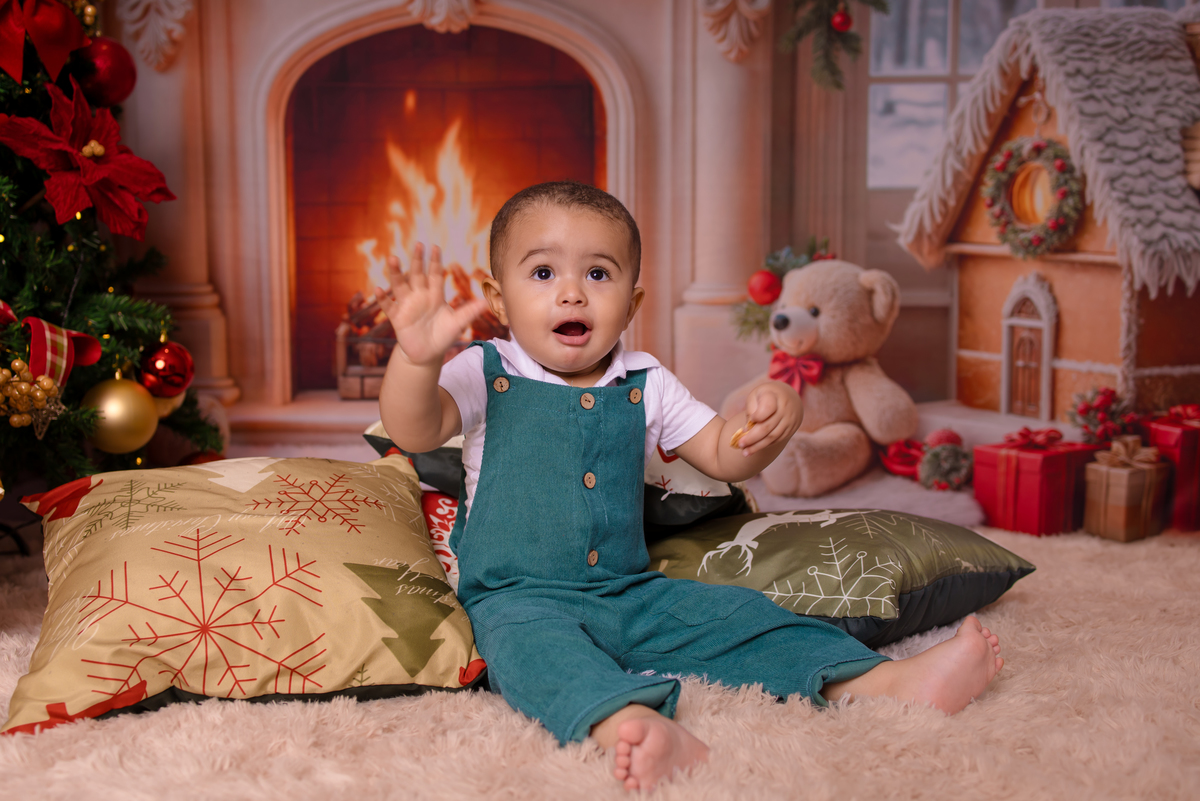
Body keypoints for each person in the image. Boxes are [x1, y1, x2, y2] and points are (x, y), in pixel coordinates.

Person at [377, 181, 1003, 792]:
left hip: (630, 591)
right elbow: (415, 427)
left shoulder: (646, 380)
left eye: (598, 273)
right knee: (533, 657)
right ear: (499, 299)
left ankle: (882, 682)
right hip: (518, 596)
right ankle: (628, 724)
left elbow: (726, 455)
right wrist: (416, 358)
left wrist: (775, 417)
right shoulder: (487, 369)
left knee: (741, 617)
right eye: (543, 273)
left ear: (632, 304)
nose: (572, 292)